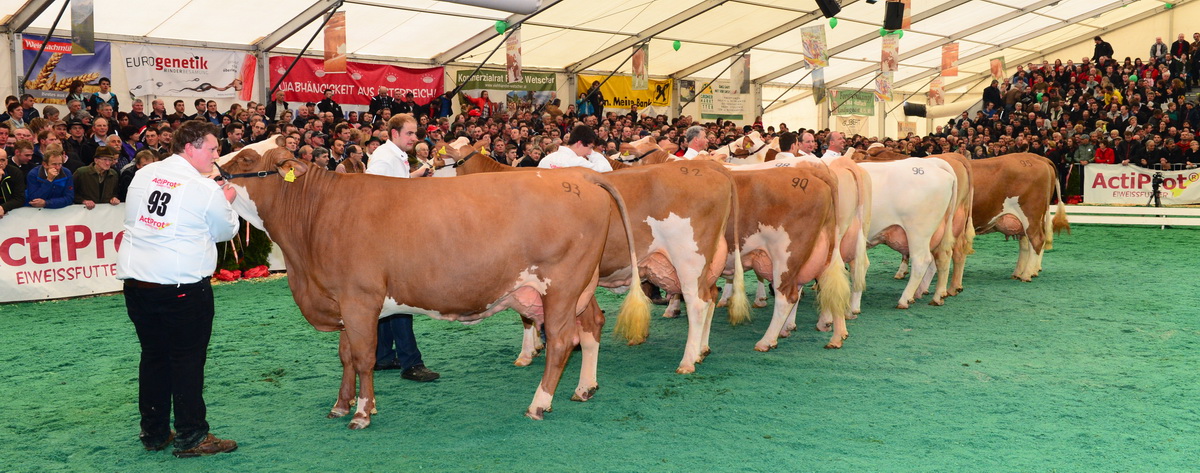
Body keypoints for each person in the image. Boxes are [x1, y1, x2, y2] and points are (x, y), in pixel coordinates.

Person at [116, 120, 239, 458]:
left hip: (138, 282)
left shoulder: (144, 173)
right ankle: (192, 435)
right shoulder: (205, 189)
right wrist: (225, 198)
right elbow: (224, 231)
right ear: (191, 148)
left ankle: (154, 432)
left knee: (154, 356)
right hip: (181, 286)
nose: (216, 155)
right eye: (212, 149)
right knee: (187, 360)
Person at [365, 113, 439, 382]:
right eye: (409, 133)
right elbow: (373, 193)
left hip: (389, 235)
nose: (414, 138)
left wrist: (415, 176)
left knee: (387, 301)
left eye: (415, 133)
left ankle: (383, 356)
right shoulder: (384, 158)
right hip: (388, 237)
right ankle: (411, 363)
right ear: (393, 133)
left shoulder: (394, 155)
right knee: (401, 301)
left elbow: (395, 189)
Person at [538, 124, 612, 171]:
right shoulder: (578, 162)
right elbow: (606, 170)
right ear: (579, 143)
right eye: (590, 147)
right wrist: (593, 154)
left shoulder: (547, 159)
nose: (589, 152)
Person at [0, 149, 25, 218]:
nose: (0, 163)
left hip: (11, 214)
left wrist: (3, 207)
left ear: (7, 161)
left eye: (2, 160)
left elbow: (20, 198)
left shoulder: (15, 173)